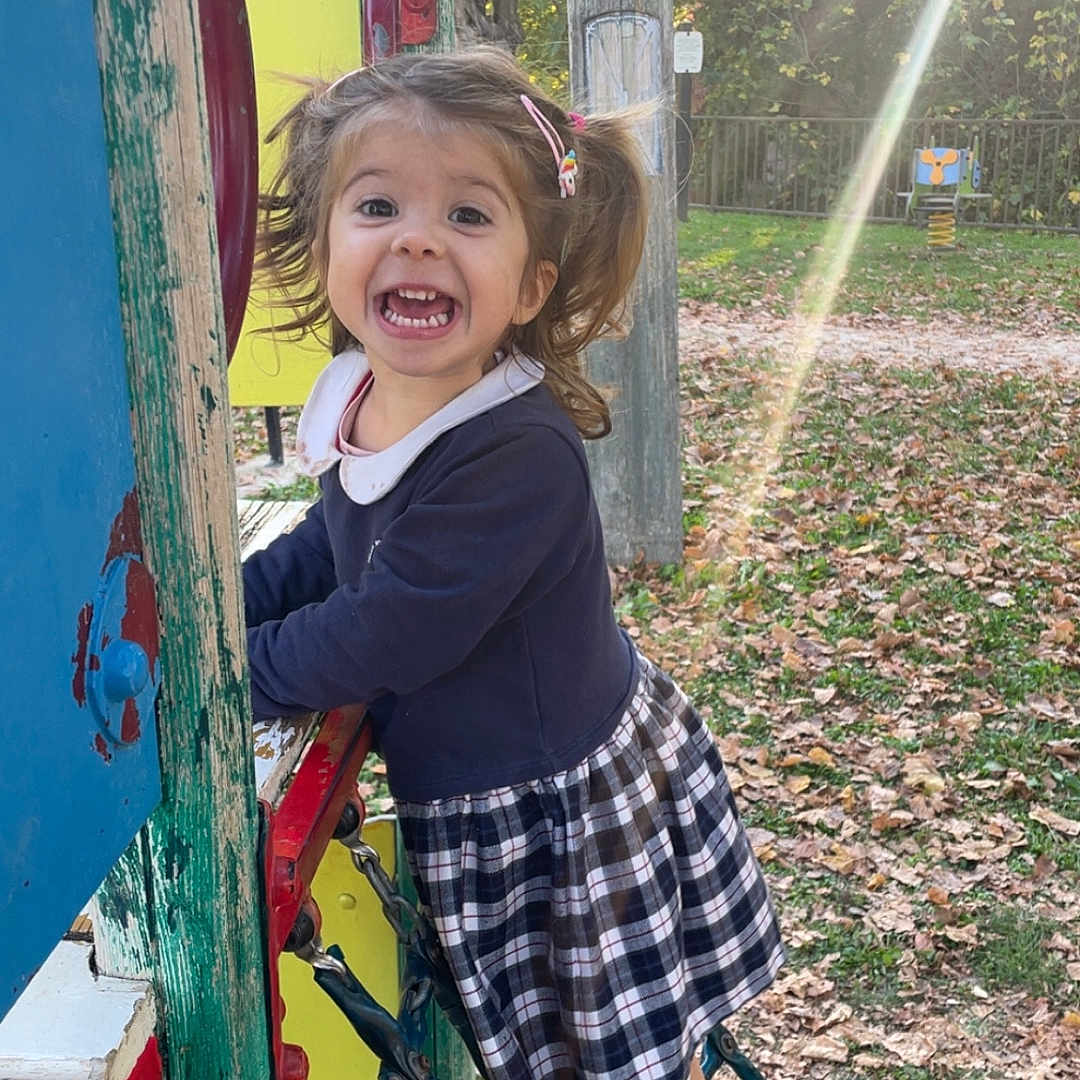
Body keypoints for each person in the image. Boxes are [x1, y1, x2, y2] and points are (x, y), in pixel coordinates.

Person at [243, 47, 784, 1080]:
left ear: (532, 282)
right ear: (323, 244)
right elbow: (334, 540)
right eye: (377, 206)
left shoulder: (515, 451)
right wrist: (223, 611)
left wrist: (232, 672)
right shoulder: (362, 390)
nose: (416, 239)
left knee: (589, 1050)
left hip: (554, 814)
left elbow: (386, 628)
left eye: (467, 217)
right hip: (490, 789)